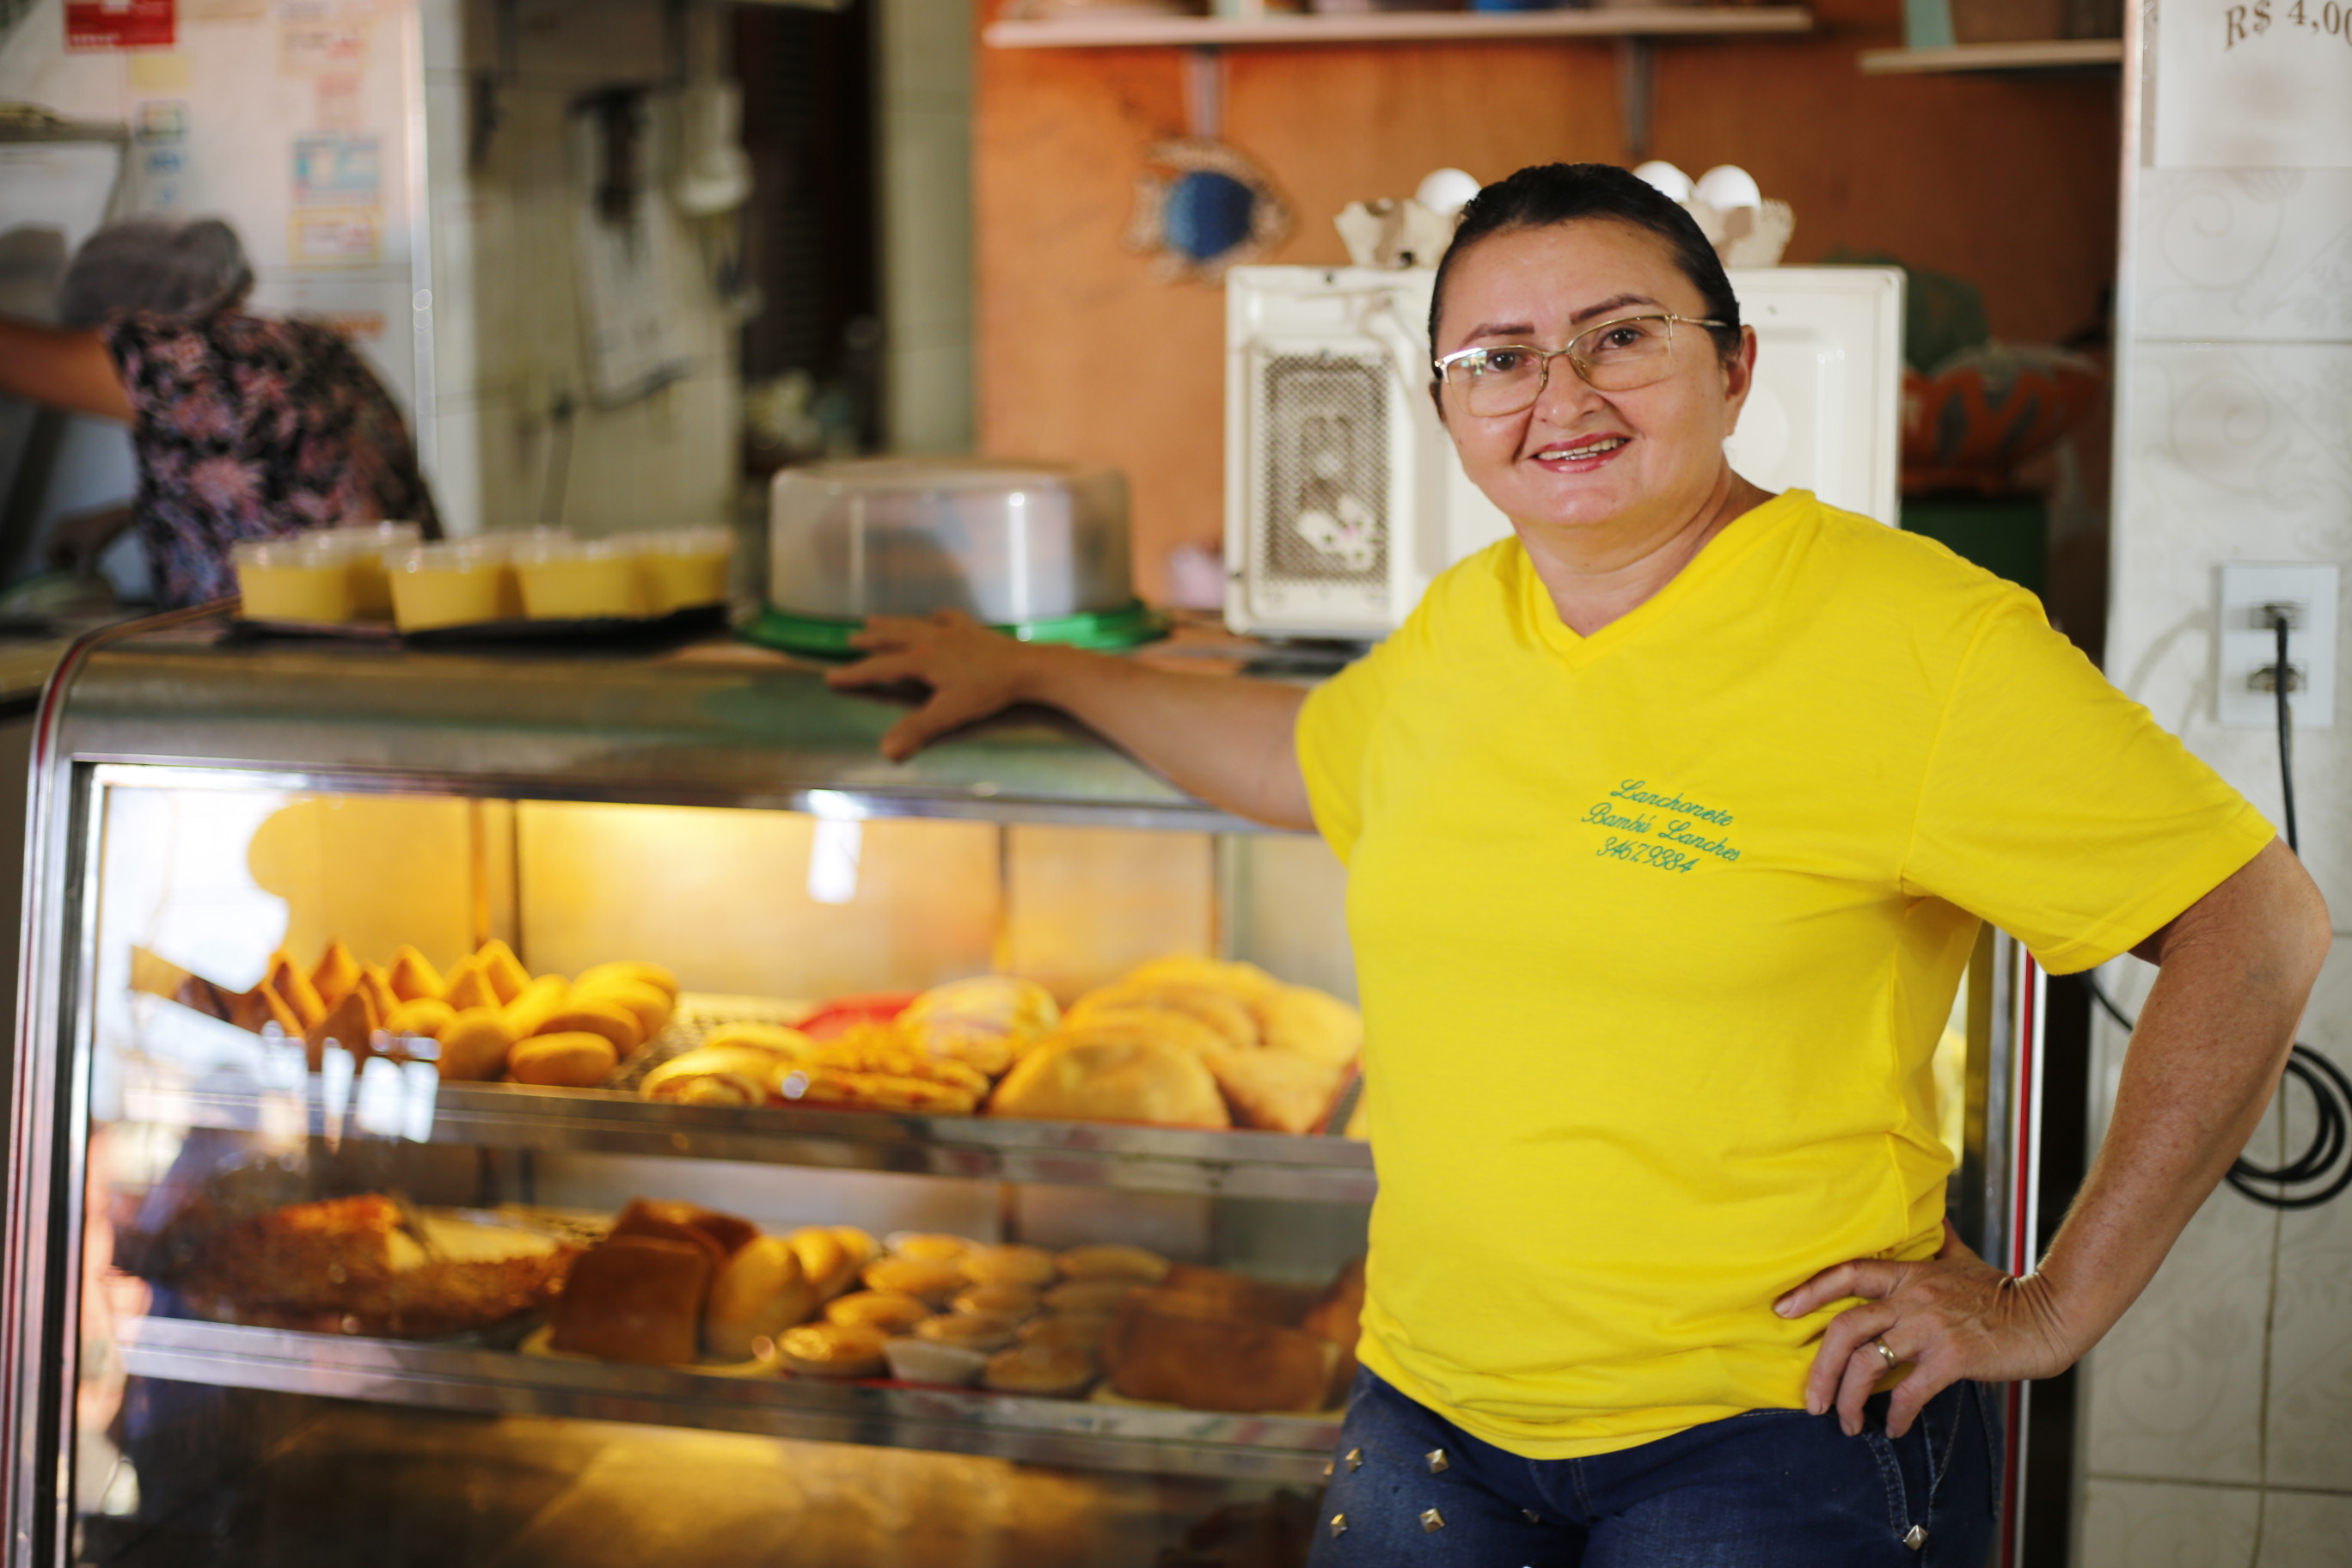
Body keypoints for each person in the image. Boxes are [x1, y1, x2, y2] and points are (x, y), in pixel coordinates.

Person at [828, 163, 2328, 1565]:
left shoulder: (1922, 639)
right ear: (1447, 405)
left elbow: (2256, 923)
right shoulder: (1469, 620)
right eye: (1498, 358)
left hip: (1768, 1435)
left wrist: (2052, 1305)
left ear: (1734, 366)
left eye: (1621, 337)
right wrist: (1040, 668)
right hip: (1429, 1411)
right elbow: (1301, 756)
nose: (1560, 395)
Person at [0, 217, 438, 606]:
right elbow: (278, 484)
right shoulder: (299, 342)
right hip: (402, 622)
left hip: (303, 644)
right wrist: (127, 517)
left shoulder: (185, 363)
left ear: (134, 322)